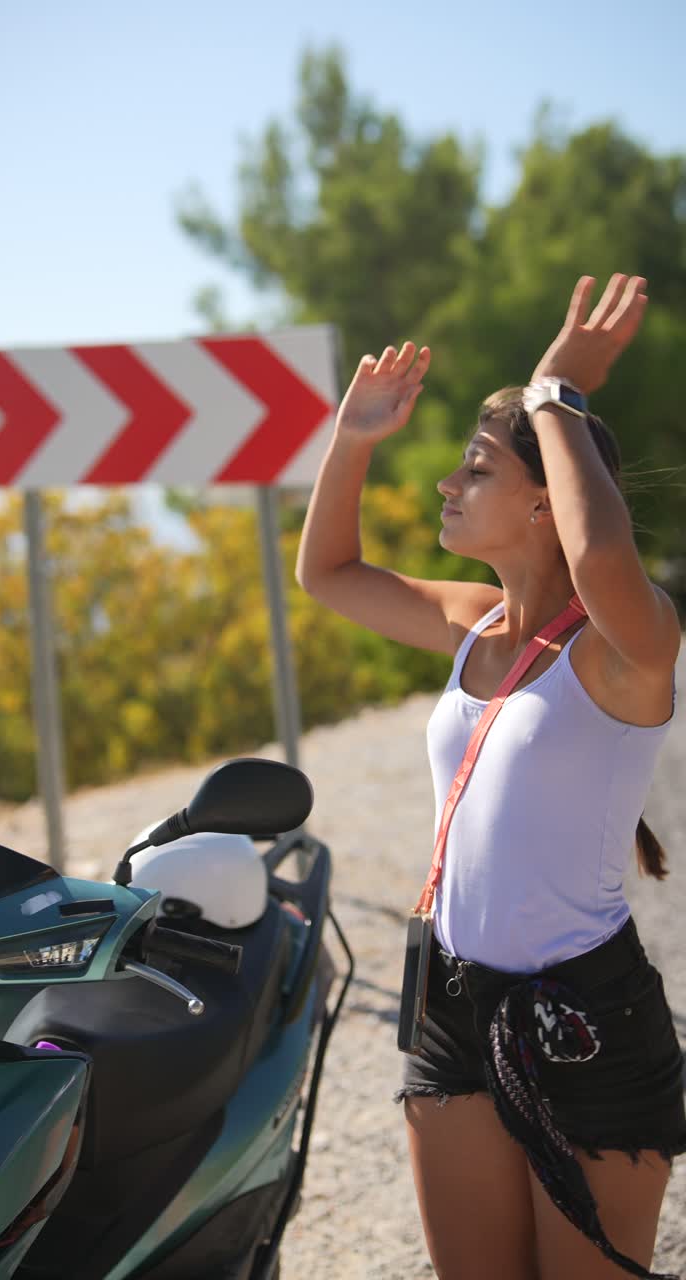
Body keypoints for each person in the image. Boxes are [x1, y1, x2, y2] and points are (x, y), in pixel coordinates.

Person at [295, 273, 686, 1280]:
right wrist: (351, 438)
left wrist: (557, 391)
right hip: (451, 1002)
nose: (447, 484)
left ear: (546, 502)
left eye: (475, 469)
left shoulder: (624, 645)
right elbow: (327, 573)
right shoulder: (474, 623)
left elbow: (601, 557)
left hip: (588, 1021)